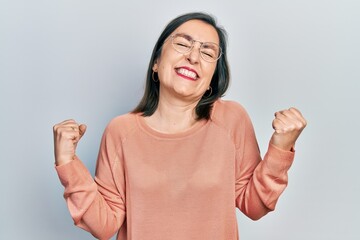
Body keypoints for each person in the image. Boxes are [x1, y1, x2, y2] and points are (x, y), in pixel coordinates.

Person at [53, 12, 307, 240]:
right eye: (183, 44)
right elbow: (104, 225)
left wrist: (281, 148)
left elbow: (254, 205)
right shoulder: (121, 131)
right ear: (156, 62)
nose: (193, 56)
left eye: (207, 52)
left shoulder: (232, 120)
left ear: (211, 80)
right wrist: (68, 161)